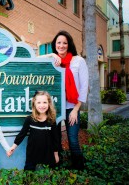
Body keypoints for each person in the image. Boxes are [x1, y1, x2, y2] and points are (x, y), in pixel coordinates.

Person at [39, 30, 89, 170]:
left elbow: (84, 87)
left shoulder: (78, 61)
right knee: (55, 140)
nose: (61, 46)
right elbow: (35, 59)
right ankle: (57, 165)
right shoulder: (53, 60)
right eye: (58, 43)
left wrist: (75, 109)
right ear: (55, 44)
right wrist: (51, 54)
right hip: (54, 107)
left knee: (72, 140)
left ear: (69, 44)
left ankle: (78, 168)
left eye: (64, 43)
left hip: (71, 107)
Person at [8, 91, 59, 170]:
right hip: (32, 154)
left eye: (44, 102)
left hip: (48, 154)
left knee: (47, 177)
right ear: (34, 104)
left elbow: (55, 139)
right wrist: (13, 147)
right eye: (39, 102)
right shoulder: (30, 119)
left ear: (49, 103)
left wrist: (56, 154)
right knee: (29, 175)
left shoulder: (51, 121)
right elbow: (22, 134)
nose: (42, 105)